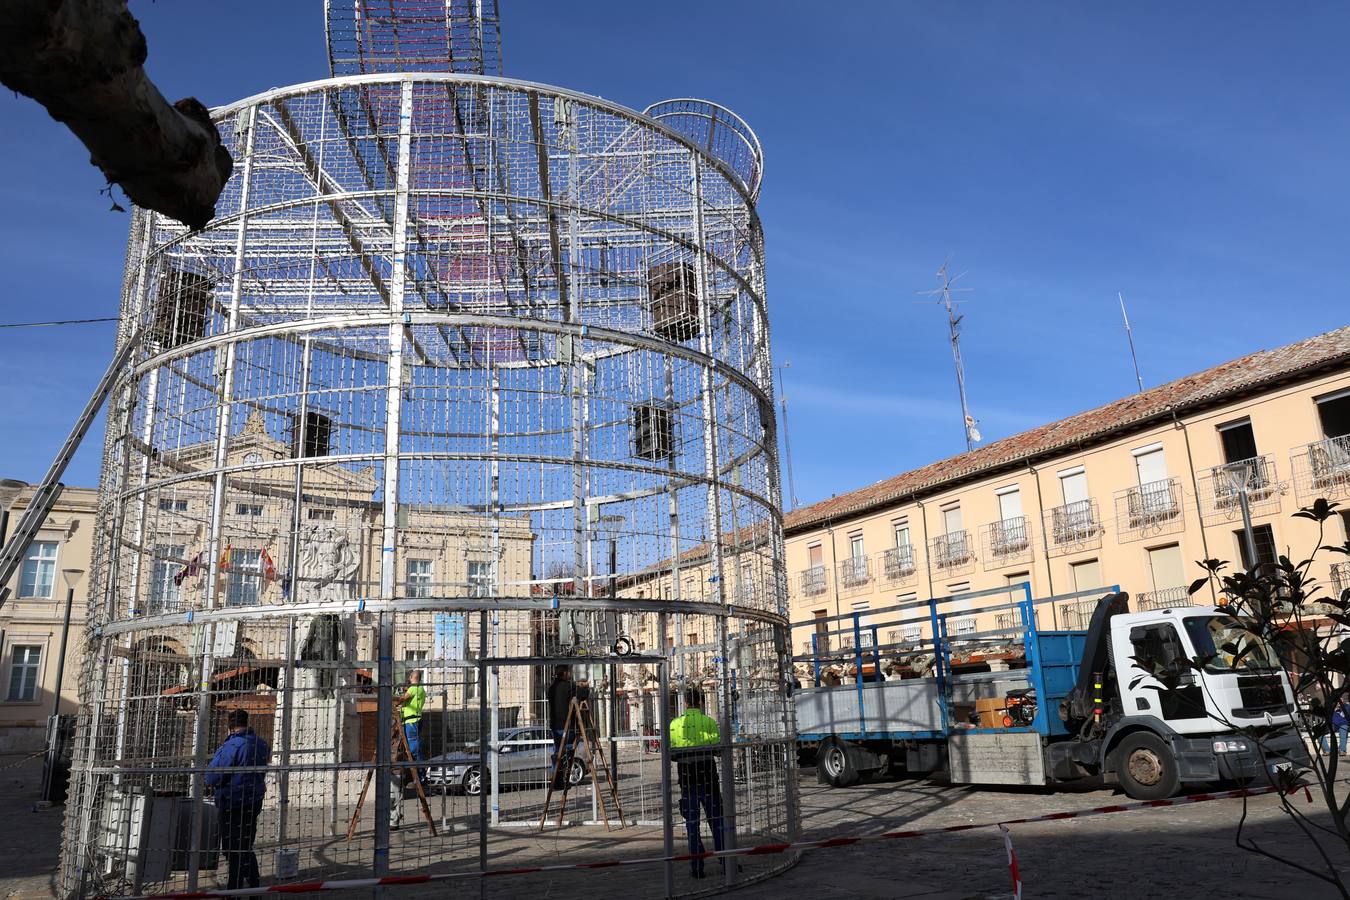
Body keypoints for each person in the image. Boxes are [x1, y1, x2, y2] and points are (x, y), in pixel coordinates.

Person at [205, 709, 271, 890]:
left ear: (230, 726)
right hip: (253, 800)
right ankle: (254, 885)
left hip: (233, 802)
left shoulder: (232, 746)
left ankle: (234, 887)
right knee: (245, 845)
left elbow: (213, 776)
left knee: (232, 848)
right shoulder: (262, 744)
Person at [669, 686, 724, 879]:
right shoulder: (708, 721)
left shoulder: (675, 724)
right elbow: (717, 747)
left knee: (692, 824)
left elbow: (672, 752)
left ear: (685, 703)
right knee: (717, 821)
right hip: (708, 776)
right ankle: (726, 862)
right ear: (701, 702)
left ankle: (697, 867)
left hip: (687, 779)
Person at [547, 666, 576, 788]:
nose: (570, 674)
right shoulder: (567, 686)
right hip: (566, 724)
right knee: (566, 751)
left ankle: (557, 780)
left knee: (558, 751)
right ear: (564, 673)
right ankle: (563, 778)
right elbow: (581, 693)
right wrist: (583, 687)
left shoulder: (552, 687)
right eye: (569, 672)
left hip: (555, 725)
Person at [396, 670, 427, 781]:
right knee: (412, 747)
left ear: (411, 677)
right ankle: (420, 774)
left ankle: (422, 773)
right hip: (415, 720)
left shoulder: (414, 688)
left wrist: (395, 703)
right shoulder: (421, 689)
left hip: (411, 721)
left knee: (413, 749)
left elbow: (403, 698)